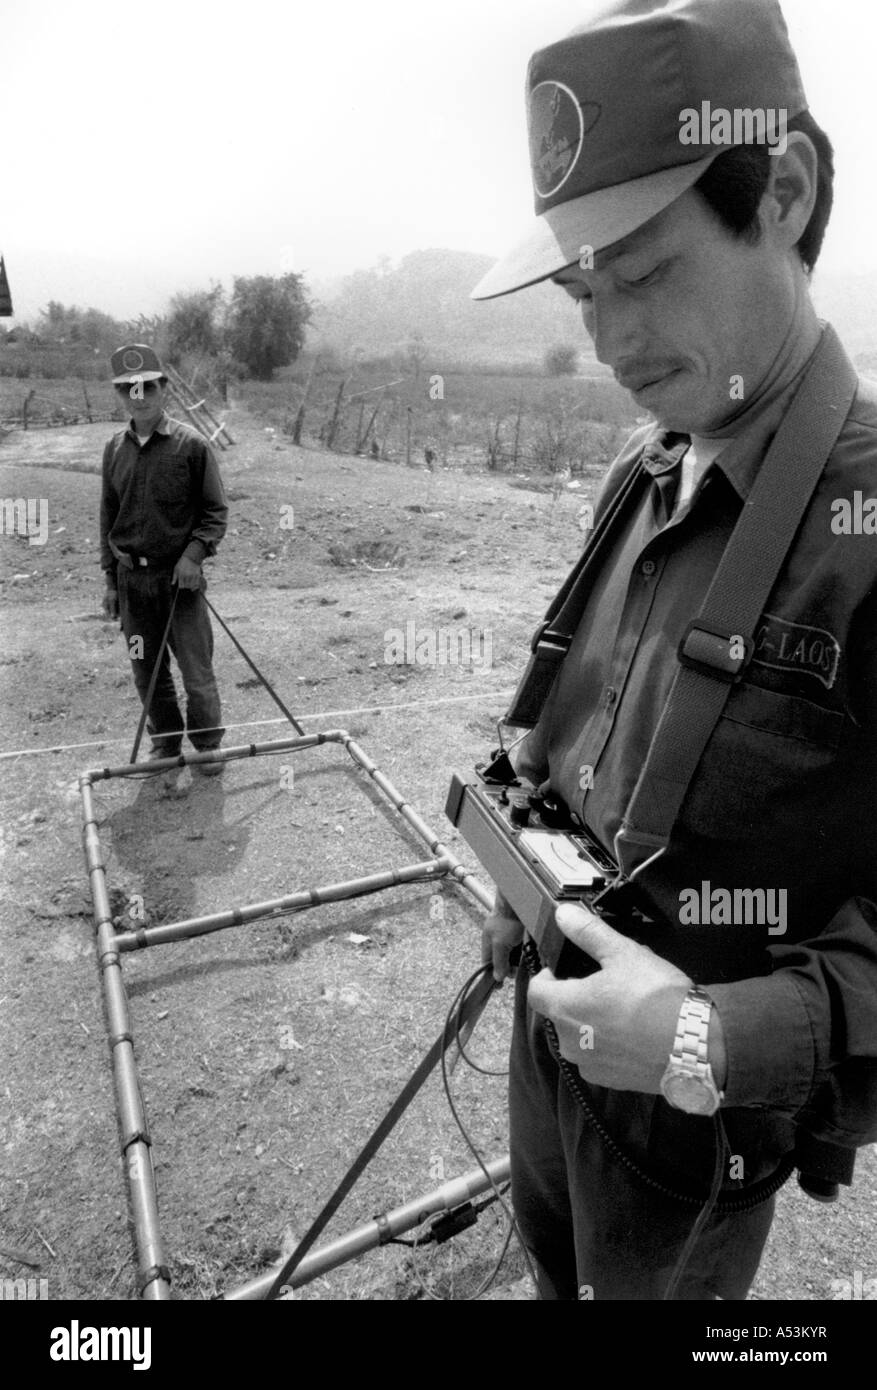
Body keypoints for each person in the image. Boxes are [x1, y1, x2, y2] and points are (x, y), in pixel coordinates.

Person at [473, 0, 877, 1300]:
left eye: (641, 274)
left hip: (697, 1138)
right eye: (583, 292)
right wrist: (518, 862)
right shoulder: (640, 478)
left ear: (785, 192)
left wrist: (710, 1035)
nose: (608, 344)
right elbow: (573, 728)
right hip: (552, 1040)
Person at [100, 343, 229, 775]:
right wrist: (108, 581)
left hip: (180, 586)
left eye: (146, 386)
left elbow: (214, 513)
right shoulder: (113, 450)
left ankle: (208, 745)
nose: (138, 396)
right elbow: (108, 517)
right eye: (127, 389)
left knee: (196, 671)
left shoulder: (191, 447)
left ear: (163, 388)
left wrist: (193, 556)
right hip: (132, 588)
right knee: (147, 672)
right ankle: (167, 744)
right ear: (118, 395)